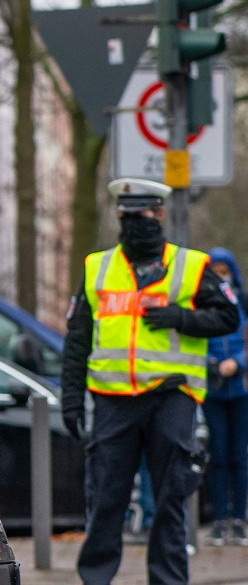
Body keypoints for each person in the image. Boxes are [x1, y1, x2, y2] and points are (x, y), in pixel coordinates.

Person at [60, 178, 239, 585]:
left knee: (171, 499)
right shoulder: (96, 267)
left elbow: (229, 316)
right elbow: (77, 340)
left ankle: (169, 580)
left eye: (142, 214)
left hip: (171, 396)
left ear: (160, 214)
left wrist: (182, 317)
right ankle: (96, 578)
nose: (134, 222)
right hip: (113, 400)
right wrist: (71, 399)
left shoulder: (192, 266)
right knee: (105, 500)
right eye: (127, 216)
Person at [202, 247, 248, 546]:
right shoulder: (201, 305)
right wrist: (213, 364)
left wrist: (238, 363)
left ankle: (239, 518)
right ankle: (219, 519)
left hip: (241, 390)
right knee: (217, 456)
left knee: (239, 456)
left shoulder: (243, 302)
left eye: (224, 271)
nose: (221, 278)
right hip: (213, 391)